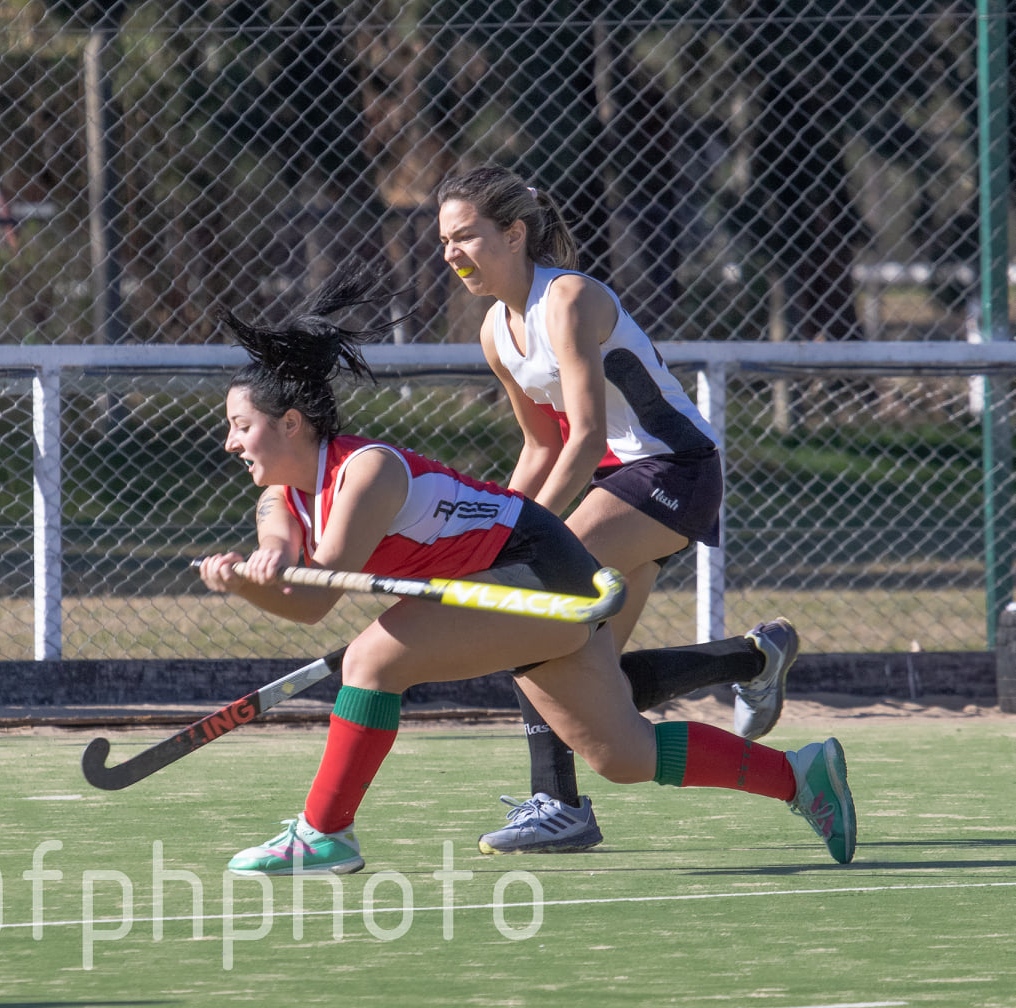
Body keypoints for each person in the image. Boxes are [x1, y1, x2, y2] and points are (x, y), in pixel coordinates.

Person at [195, 262, 856, 874]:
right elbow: (281, 541)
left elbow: (313, 600)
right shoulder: (279, 494)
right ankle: (799, 776)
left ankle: (324, 833)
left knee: (371, 662)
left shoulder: (365, 474)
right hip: (502, 583)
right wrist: (262, 567)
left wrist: (252, 586)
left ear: (290, 423)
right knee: (621, 753)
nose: (229, 442)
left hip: (536, 567)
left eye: (240, 426)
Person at [436, 164, 797, 854]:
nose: (451, 253)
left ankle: (557, 804)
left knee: (531, 609)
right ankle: (751, 659)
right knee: (595, 690)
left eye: (466, 237)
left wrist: (517, 540)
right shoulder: (493, 331)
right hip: (617, 481)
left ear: (513, 234)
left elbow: (586, 436)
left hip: (674, 470)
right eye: (445, 241)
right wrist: (495, 526)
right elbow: (541, 444)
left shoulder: (568, 298)